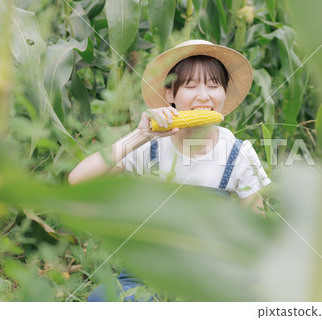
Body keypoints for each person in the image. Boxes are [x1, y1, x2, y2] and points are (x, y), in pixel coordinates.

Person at [68, 40, 271, 301]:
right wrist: (140, 135)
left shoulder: (239, 153)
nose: (204, 95)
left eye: (213, 85)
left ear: (224, 92)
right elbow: (77, 181)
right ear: (169, 94)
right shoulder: (150, 146)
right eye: (190, 85)